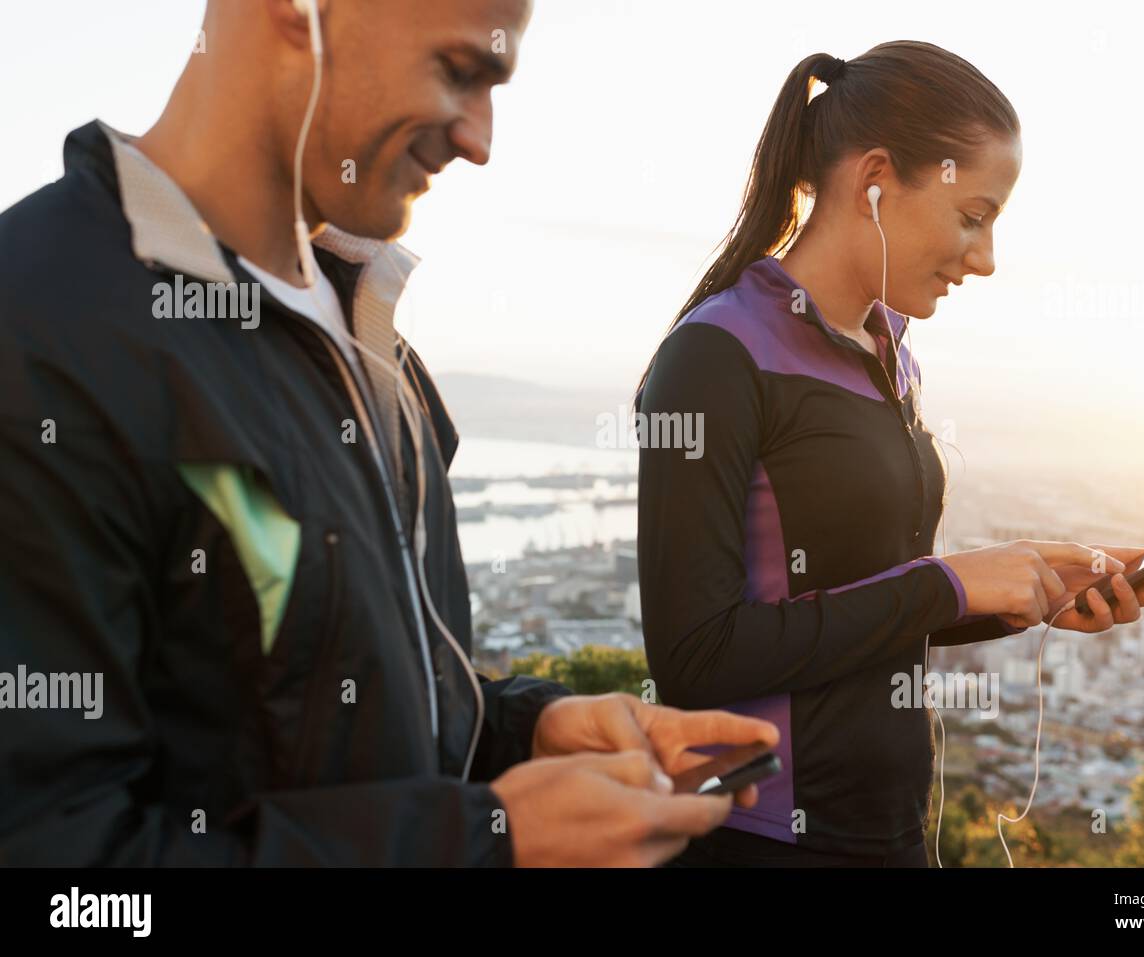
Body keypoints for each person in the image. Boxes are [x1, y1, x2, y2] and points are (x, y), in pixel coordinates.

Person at [0, 0, 778, 867]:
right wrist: (483, 841)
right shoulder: (36, 327)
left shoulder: (365, 335)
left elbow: (340, 710)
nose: (481, 140)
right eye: (458, 71)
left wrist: (522, 734)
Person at [635, 42, 1144, 867]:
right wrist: (951, 580)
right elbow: (696, 659)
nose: (986, 258)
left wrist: (1020, 594)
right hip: (762, 837)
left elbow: (863, 604)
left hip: (892, 831)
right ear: (876, 180)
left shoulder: (891, 350)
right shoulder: (717, 355)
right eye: (973, 216)